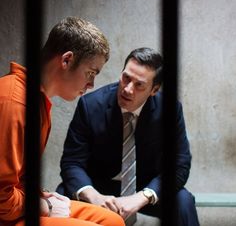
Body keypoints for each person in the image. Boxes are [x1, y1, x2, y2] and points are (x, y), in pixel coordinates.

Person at [0, 16, 125, 226]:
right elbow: (2, 200)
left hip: (16, 203)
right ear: (66, 60)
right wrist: (44, 206)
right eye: (91, 73)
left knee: (113, 221)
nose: (92, 84)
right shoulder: (15, 102)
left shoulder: (37, 101)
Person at [57, 47, 200, 226]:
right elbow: (72, 162)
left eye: (139, 84)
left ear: (154, 90)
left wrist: (144, 196)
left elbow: (179, 164)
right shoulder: (90, 105)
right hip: (99, 187)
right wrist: (92, 195)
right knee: (63, 194)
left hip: (144, 186)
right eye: (126, 78)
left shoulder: (169, 110)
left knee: (183, 201)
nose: (127, 89)